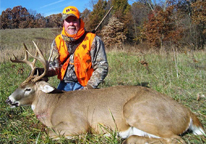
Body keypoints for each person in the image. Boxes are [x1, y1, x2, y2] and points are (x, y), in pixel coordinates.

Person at [45, 6, 108, 91]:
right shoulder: (58, 41)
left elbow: (102, 66)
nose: (71, 24)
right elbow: (54, 66)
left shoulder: (93, 40)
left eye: (74, 20)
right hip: (65, 84)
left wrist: (89, 87)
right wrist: (42, 72)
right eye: (68, 21)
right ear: (63, 23)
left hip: (85, 85)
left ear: (79, 21)